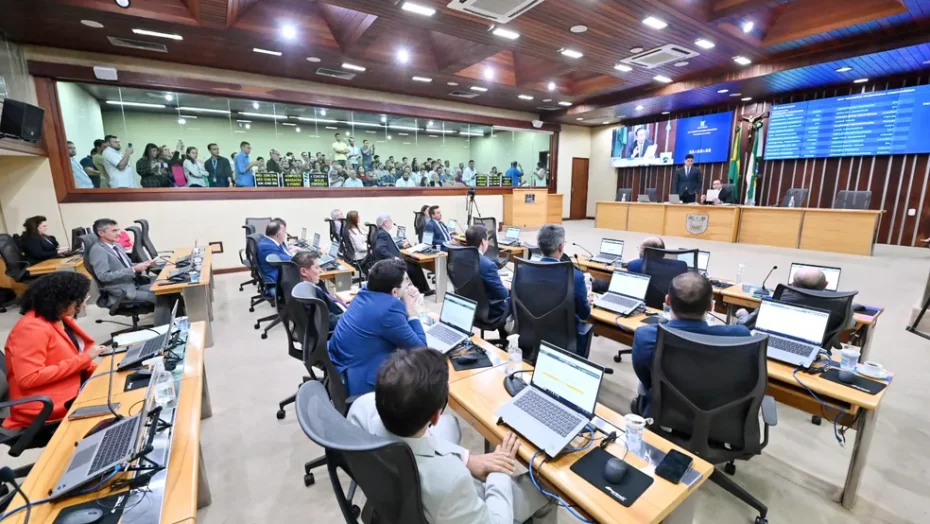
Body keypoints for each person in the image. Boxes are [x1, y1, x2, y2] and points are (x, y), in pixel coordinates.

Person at [347, 348, 556, 524]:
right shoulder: (450, 482)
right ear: (435, 416)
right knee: (545, 488)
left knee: (451, 426)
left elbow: (426, 443)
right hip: (455, 507)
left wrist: (467, 459)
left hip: (394, 502)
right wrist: (499, 471)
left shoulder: (360, 410)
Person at [2, 272, 106, 446]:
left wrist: (103, 371)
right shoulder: (31, 329)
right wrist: (84, 359)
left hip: (71, 385)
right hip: (45, 405)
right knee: (115, 411)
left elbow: (72, 357)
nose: (84, 303)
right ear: (62, 301)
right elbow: (29, 378)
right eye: (81, 299)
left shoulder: (57, 319)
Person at [632, 272, 750, 413]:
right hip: (721, 419)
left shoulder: (646, 336)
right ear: (711, 306)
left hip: (665, 413)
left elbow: (646, 379)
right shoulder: (740, 335)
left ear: (667, 301)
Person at [327, 258, 426, 396]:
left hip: (343, 364)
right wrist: (411, 310)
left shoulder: (365, 292)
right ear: (394, 292)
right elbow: (421, 350)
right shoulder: (390, 309)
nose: (409, 285)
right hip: (362, 378)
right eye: (406, 282)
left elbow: (388, 323)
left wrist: (403, 301)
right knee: (425, 370)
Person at [530, 224, 593, 354]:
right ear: (561, 247)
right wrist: (585, 299)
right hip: (561, 341)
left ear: (539, 245)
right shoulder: (575, 277)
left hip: (530, 334)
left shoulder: (523, 271)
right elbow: (584, 314)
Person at [87, 218, 156, 307]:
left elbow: (127, 265)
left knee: (164, 291)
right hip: (122, 291)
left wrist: (144, 264)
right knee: (159, 297)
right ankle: (165, 320)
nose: (119, 233)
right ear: (101, 233)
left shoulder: (117, 245)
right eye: (114, 231)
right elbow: (103, 276)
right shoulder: (98, 250)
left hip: (134, 284)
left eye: (118, 230)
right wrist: (133, 270)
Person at [373, 213, 432, 295]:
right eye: (390, 220)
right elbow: (380, 248)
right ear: (386, 223)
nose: (391, 222)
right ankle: (423, 290)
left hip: (393, 260)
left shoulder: (382, 232)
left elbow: (389, 245)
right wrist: (393, 257)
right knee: (415, 267)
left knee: (414, 264)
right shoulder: (383, 234)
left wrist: (401, 245)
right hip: (391, 263)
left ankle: (422, 289)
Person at [464, 225, 511, 322]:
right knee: (515, 295)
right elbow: (502, 294)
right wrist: (506, 286)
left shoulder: (459, 258)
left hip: (468, 306)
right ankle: (508, 334)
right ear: (482, 242)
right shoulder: (488, 265)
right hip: (489, 310)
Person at [292, 251, 345, 333]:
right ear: (303, 272)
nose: (320, 271)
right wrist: (352, 313)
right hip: (335, 330)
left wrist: (341, 303)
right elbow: (330, 322)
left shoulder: (304, 287)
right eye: (317, 267)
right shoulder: (310, 296)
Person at [257, 219, 298, 292]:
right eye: (284, 232)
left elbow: (283, 253)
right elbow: (290, 260)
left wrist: (289, 250)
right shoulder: (267, 247)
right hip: (277, 281)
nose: (285, 234)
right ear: (278, 235)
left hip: (280, 274)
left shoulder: (268, 242)